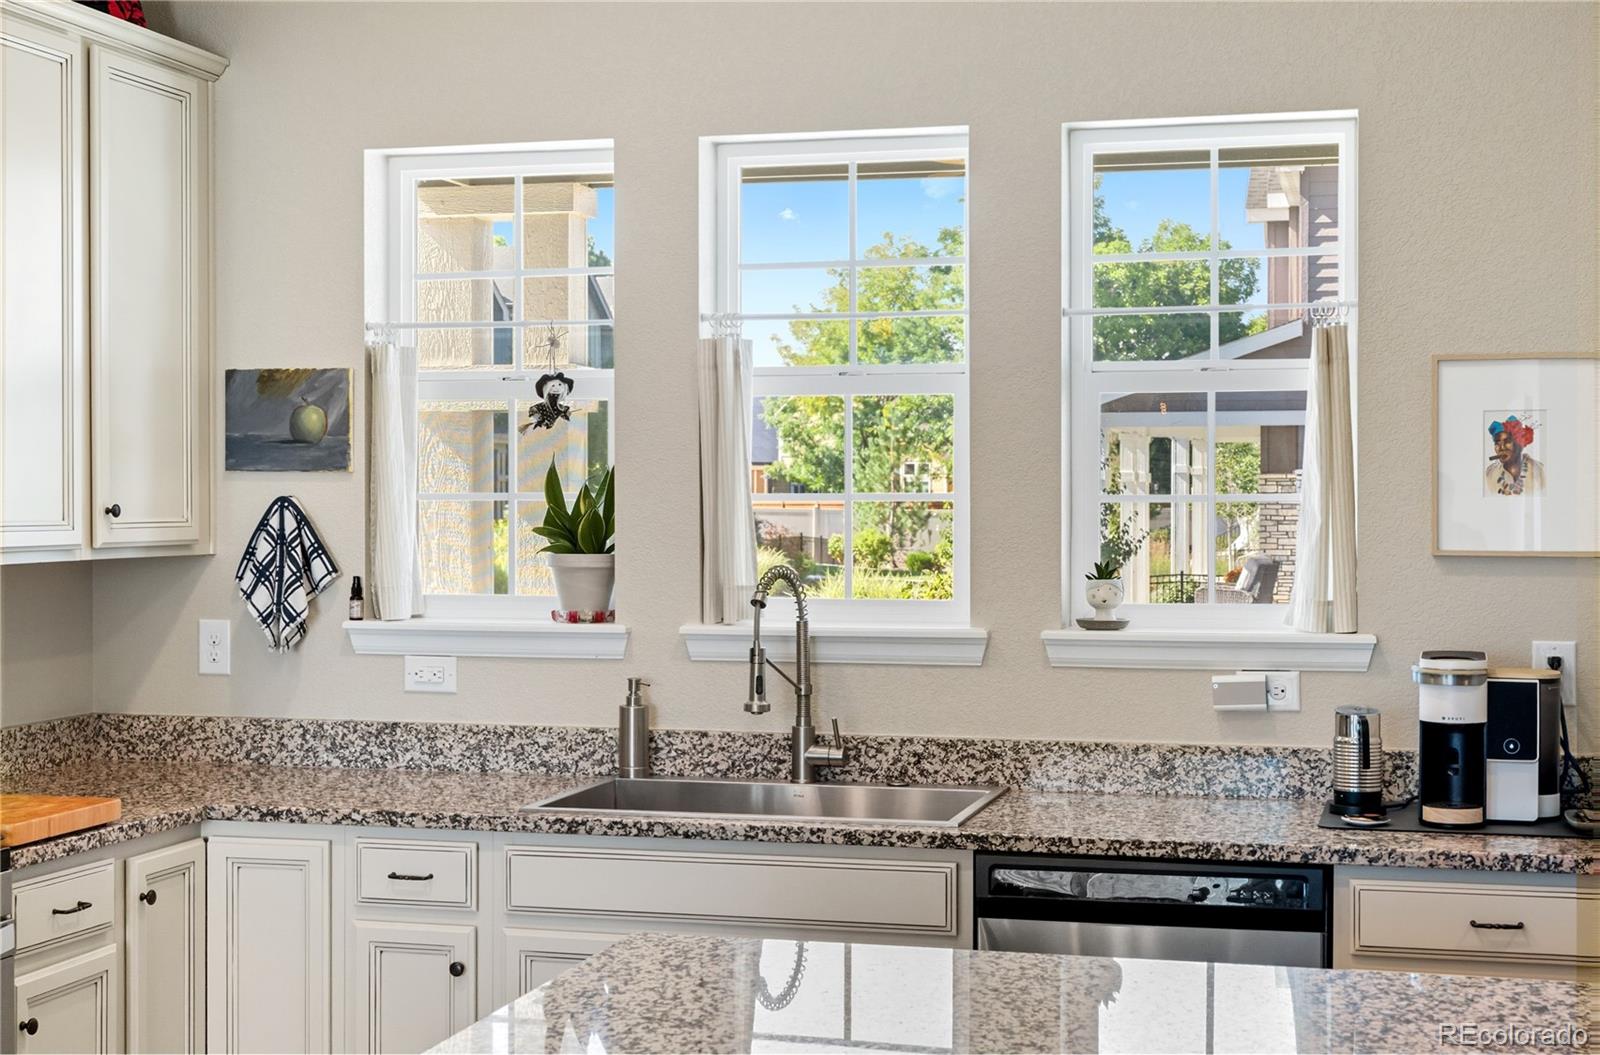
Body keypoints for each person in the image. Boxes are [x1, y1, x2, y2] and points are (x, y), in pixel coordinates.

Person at [1485, 415, 1545, 496]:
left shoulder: (1538, 470)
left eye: (1507, 442)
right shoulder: (1490, 474)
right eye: (1497, 443)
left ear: (1519, 444)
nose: (1501, 448)